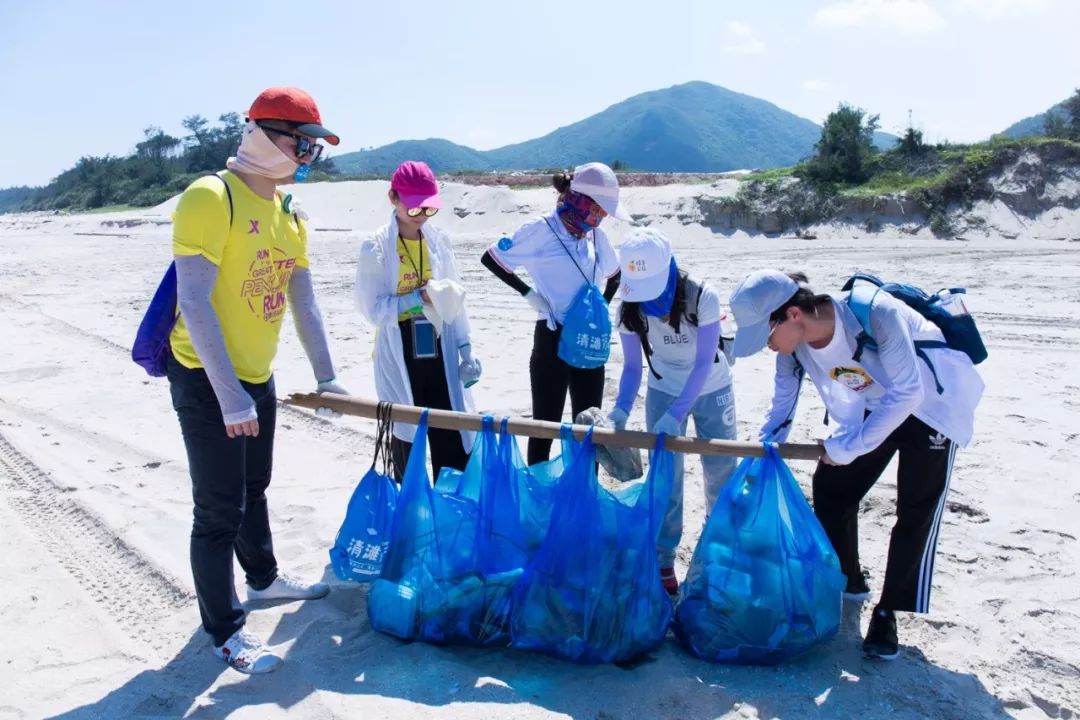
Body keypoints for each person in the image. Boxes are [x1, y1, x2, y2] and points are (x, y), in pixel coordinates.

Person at [167, 86, 347, 674]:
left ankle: (264, 579)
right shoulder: (209, 197)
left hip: (255, 376)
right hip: (204, 375)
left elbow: (305, 303)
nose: (307, 156)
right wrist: (228, 395)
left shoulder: (290, 213)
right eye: (303, 143)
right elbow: (193, 301)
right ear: (263, 132)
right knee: (217, 509)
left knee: (254, 487)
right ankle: (225, 629)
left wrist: (327, 378)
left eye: (314, 147)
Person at [729, 269, 984, 660]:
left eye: (765, 335)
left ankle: (888, 612)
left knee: (916, 512)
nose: (766, 346)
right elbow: (782, 408)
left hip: (932, 408)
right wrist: (764, 451)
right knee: (832, 488)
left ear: (793, 315)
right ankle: (848, 579)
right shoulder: (794, 349)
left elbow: (909, 392)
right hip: (874, 406)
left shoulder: (877, 313)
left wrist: (852, 446)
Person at [609, 228, 737, 595]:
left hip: (712, 388)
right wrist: (620, 410)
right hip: (663, 389)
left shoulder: (703, 297)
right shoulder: (628, 310)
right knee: (666, 478)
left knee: (720, 472)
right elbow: (633, 368)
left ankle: (718, 552)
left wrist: (677, 414)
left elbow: (701, 365)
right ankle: (664, 560)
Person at [481, 163, 625, 464]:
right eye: (597, 210)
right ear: (581, 200)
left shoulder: (597, 237)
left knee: (588, 429)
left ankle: (582, 498)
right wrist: (529, 294)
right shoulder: (540, 230)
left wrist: (600, 306)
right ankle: (539, 503)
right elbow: (493, 258)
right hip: (552, 337)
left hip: (588, 340)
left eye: (604, 214)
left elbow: (615, 275)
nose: (600, 220)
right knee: (545, 427)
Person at [355, 161, 481, 481]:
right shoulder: (377, 247)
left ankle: (449, 507)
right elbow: (374, 310)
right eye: (414, 209)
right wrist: (417, 299)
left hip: (439, 347)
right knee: (406, 436)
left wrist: (466, 348)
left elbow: (455, 296)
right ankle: (410, 510)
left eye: (429, 208)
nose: (422, 216)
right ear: (393, 198)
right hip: (401, 350)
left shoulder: (437, 241)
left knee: (451, 431)